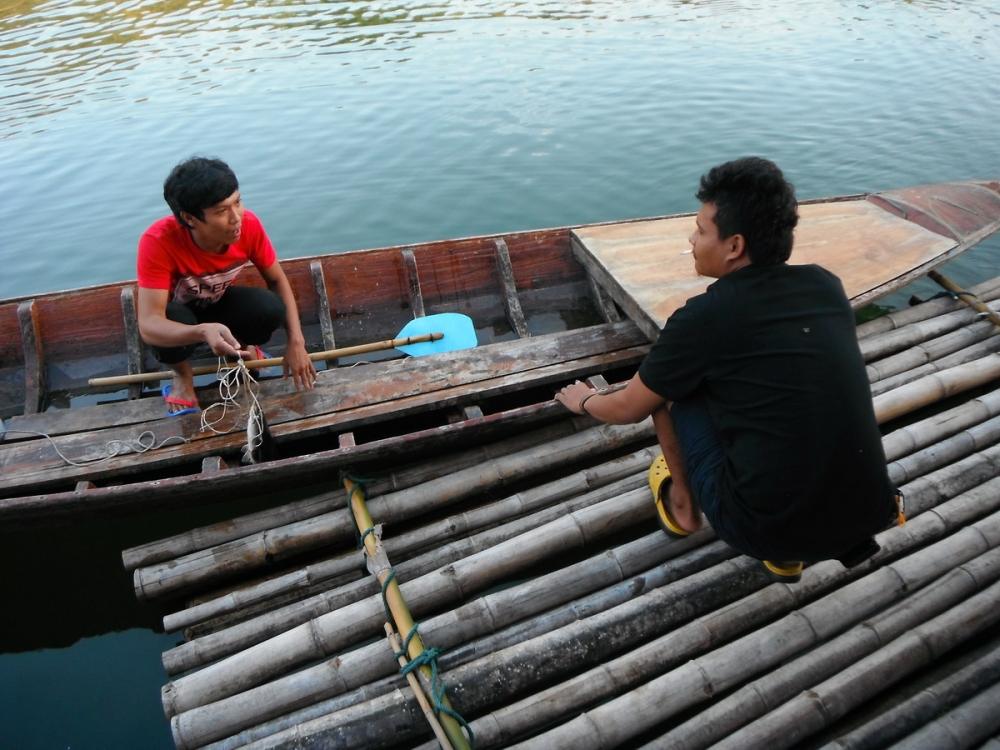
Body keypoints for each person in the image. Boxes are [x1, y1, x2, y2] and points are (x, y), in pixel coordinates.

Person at [555, 156, 897, 581]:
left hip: (764, 530)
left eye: (700, 230)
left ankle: (684, 506)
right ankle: (793, 550)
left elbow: (628, 408)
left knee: (668, 389)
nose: (693, 239)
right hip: (867, 512)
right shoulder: (825, 285)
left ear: (734, 246)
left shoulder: (704, 318)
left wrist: (585, 400)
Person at [137, 157, 316, 415]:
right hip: (179, 317)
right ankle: (182, 376)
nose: (236, 218)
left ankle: (242, 348)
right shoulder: (158, 241)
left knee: (270, 308)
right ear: (190, 219)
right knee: (171, 317)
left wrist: (296, 343)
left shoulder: (249, 226)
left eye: (238, 203)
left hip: (218, 303)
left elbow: (276, 280)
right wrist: (202, 331)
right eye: (222, 211)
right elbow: (149, 325)